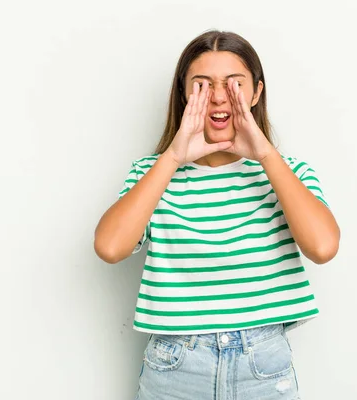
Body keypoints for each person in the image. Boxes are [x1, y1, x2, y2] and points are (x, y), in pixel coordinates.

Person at [94, 29, 340, 400]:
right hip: (175, 365)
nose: (220, 96)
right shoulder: (154, 174)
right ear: (183, 93)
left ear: (257, 91)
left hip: (264, 364)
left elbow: (322, 247)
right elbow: (110, 247)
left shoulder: (289, 173)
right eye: (202, 84)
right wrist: (173, 157)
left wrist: (265, 155)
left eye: (234, 83)